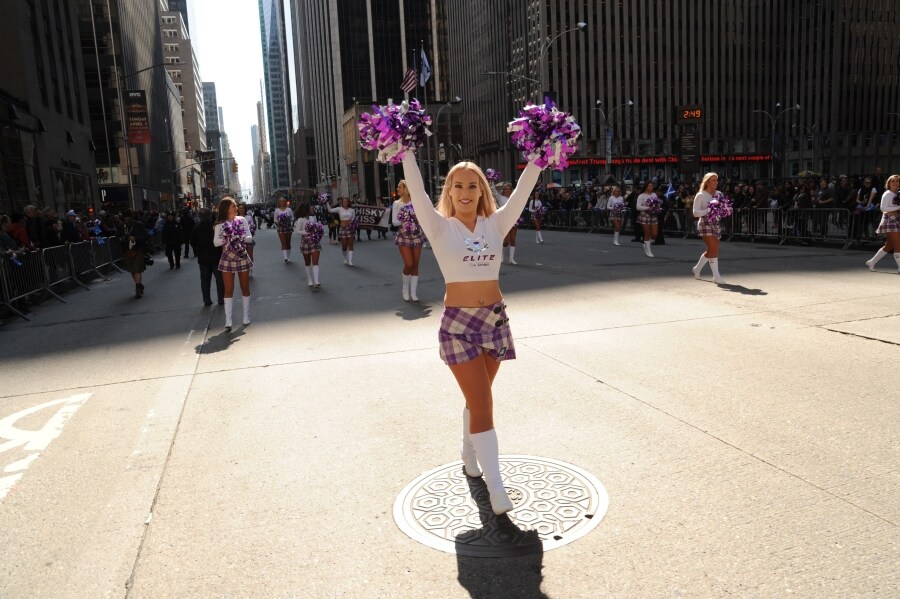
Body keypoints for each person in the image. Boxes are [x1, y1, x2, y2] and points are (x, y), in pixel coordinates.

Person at [400, 148, 542, 516]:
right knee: (482, 403)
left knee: (478, 398)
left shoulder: (495, 223)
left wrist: (541, 155)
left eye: (473, 186)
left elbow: (524, 190)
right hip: (458, 326)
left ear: (482, 191)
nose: (465, 192)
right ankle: (496, 488)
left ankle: (468, 451)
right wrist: (407, 153)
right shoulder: (438, 226)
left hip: (494, 320)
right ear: (448, 192)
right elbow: (414, 188)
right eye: (457, 186)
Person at [213, 197, 254, 330]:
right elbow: (215, 242)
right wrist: (228, 238)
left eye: (236, 206)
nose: (237, 208)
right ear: (226, 208)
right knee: (228, 289)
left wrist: (239, 236)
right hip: (227, 258)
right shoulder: (220, 224)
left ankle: (246, 316)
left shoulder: (241, 220)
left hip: (242, 256)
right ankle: (228, 320)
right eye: (234, 206)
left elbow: (249, 237)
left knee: (245, 288)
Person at [392, 180, 426, 300]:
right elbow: (394, 221)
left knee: (415, 265)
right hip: (403, 235)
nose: (398, 189)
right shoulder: (397, 203)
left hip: (417, 235)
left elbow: (423, 217)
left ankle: (413, 293)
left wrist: (414, 220)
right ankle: (405, 288)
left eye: (399, 187)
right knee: (409, 264)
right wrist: (406, 220)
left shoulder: (416, 202)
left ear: (406, 188)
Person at [691, 172, 726, 284]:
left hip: (715, 223)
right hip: (705, 223)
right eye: (713, 180)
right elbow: (695, 212)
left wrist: (725, 210)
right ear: (707, 182)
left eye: (716, 180)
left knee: (713, 249)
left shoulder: (719, 194)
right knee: (712, 246)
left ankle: (697, 269)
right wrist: (708, 211)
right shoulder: (700, 195)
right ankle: (716, 276)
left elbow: (723, 208)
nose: (716, 182)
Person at [189, 208, 225, 306]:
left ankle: (206, 300)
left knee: (205, 280)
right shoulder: (215, 227)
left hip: (203, 258)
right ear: (210, 216)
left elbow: (192, 242)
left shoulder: (196, 228)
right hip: (216, 257)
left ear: (200, 217)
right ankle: (221, 299)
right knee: (219, 279)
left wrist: (198, 249)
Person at [865, 173, 900, 273]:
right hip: (890, 220)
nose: (895, 183)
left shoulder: (897, 193)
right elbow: (883, 208)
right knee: (898, 244)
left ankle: (871, 262)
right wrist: (898, 208)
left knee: (889, 245)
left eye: (897, 181)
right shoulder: (887, 194)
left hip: (896, 220)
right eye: (892, 181)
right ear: (888, 183)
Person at [294, 202, 323, 288]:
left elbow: (317, 227)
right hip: (305, 242)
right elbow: (297, 231)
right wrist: (307, 233)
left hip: (315, 241)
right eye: (310, 208)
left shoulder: (313, 218)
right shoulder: (300, 220)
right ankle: (310, 280)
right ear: (306, 210)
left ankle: (317, 280)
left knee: (315, 262)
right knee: (307, 262)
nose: (312, 209)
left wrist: (318, 231)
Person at [120, 212, 147, 298]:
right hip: (127, 250)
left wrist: (135, 238)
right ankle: (139, 285)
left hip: (138, 249)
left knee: (137, 269)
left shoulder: (139, 225)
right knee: (132, 270)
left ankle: (138, 289)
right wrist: (122, 239)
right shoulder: (122, 226)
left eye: (128, 218)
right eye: (125, 219)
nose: (127, 220)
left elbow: (145, 237)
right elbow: (117, 237)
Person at [492, 183, 519, 264]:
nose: (507, 190)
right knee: (506, 241)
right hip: (504, 220)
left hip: (513, 219)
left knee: (513, 239)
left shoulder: (514, 198)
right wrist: (492, 181)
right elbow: (493, 190)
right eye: (506, 189)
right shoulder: (500, 197)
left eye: (509, 189)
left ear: (511, 190)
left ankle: (511, 258)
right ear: (503, 190)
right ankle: (502, 255)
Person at [329, 197, 356, 266]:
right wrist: (326, 202)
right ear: (342, 202)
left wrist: (350, 223)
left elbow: (354, 219)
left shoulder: (352, 210)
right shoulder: (339, 209)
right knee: (344, 246)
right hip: (343, 228)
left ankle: (350, 260)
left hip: (350, 228)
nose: (345, 203)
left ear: (348, 202)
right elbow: (330, 210)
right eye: (344, 201)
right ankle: (344, 257)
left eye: (346, 201)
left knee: (351, 245)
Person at [635, 181, 658, 257]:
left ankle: (646, 244)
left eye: (652, 186)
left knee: (654, 234)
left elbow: (656, 204)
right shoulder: (641, 196)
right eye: (650, 186)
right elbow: (638, 207)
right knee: (647, 233)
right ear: (646, 187)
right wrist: (648, 208)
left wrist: (656, 208)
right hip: (645, 215)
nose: (652, 187)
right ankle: (648, 251)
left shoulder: (654, 194)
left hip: (653, 215)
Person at [274, 196, 294, 262]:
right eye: (280, 201)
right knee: (283, 242)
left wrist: (287, 219)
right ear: (278, 202)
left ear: (285, 202)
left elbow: (292, 218)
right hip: (280, 227)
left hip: (288, 227)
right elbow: (275, 219)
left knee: (288, 242)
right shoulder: (277, 210)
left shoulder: (289, 209)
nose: (282, 202)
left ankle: (288, 257)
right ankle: (285, 258)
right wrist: (280, 220)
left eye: (283, 201)